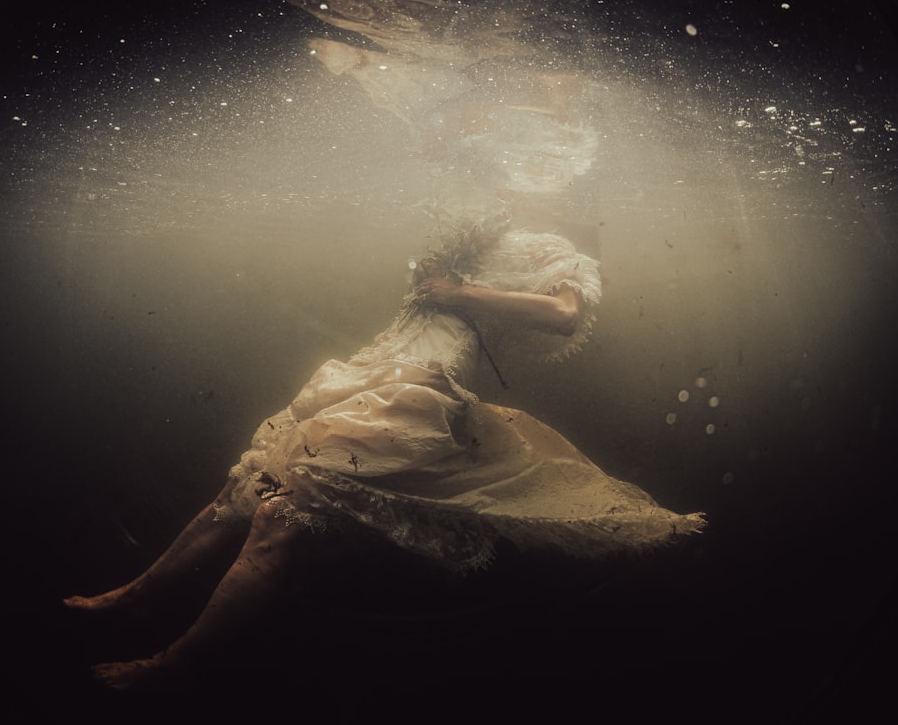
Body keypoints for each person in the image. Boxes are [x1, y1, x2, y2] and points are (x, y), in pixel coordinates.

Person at [64, 219, 705, 691]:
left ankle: (172, 669)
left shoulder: (563, 252)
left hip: (415, 393)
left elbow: (565, 313)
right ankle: (138, 598)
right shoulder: (483, 226)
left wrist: (459, 296)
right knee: (246, 490)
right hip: (367, 375)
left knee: (276, 521)